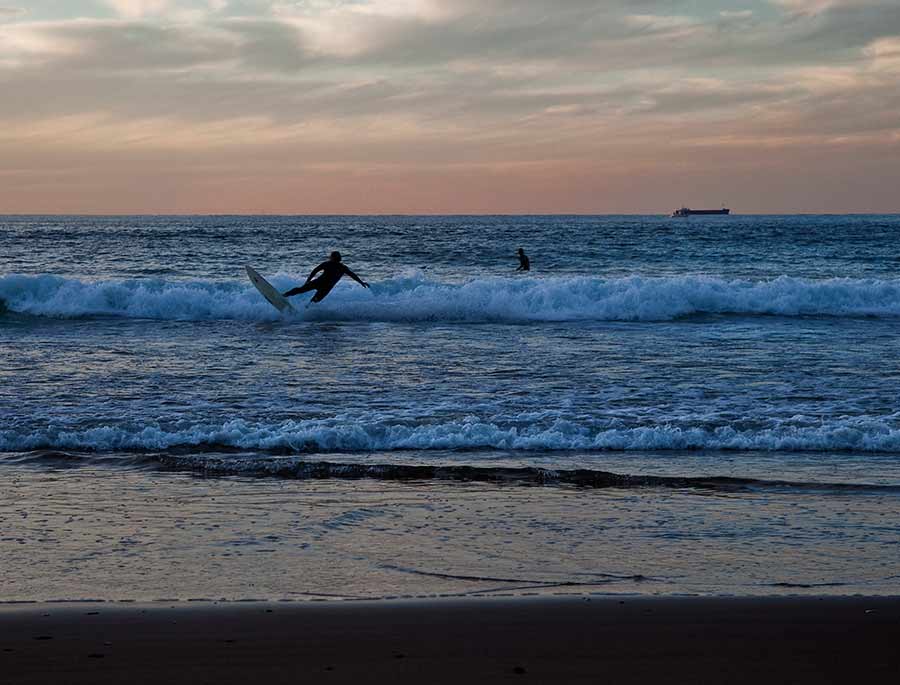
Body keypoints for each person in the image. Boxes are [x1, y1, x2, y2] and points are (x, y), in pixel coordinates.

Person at [283, 251, 369, 303]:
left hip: (322, 285)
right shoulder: (335, 266)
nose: (332, 259)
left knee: (310, 299)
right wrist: (361, 283)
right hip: (322, 285)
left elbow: (353, 275)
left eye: (332, 257)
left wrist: (361, 282)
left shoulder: (339, 266)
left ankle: (287, 297)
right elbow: (315, 270)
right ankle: (285, 295)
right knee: (304, 293)